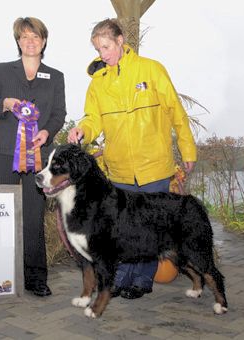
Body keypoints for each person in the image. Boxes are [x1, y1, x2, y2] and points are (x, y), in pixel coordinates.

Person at [68, 19, 196, 300]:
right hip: (119, 171)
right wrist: (83, 129)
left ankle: (141, 280)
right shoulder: (98, 84)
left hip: (155, 167)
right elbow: (93, 119)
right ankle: (119, 279)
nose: (102, 54)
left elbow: (176, 112)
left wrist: (188, 151)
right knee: (120, 230)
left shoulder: (151, 69)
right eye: (97, 49)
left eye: (106, 46)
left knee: (151, 228)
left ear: (120, 40)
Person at [0, 17, 66, 297]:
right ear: (18, 41)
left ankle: (36, 278)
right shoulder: (2, 71)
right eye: (25, 36)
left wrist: (47, 133)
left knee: (32, 217)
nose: (30, 41)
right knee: (0, 216)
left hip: (38, 157)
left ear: (44, 41)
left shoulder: (55, 76)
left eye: (36, 37)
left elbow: (59, 114)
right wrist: (4, 103)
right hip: (4, 153)